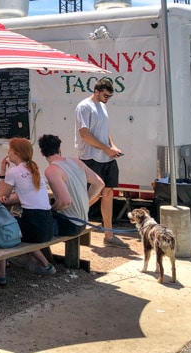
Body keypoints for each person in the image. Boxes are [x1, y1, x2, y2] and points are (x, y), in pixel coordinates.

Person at [0, 138, 56, 286]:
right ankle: (45, 264)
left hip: (33, 223)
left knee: (3, 230)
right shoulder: (35, 169)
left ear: (16, 153)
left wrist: (2, 172)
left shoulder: (14, 171)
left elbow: (1, 196)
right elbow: (24, 195)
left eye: (10, 151)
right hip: (47, 223)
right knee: (14, 227)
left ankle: (1, 273)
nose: (8, 153)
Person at [74, 78, 127, 248]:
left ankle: (109, 234)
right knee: (93, 194)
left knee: (109, 193)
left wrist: (112, 146)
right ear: (96, 91)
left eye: (109, 96)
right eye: (105, 95)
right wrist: (106, 148)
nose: (107, 99)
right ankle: (73, 220)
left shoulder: (103, 107)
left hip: (106, 156)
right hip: (90, 156)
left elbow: (105, 131)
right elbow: (84, 134)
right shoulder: (84, 106)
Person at [38, 134, 105, 236]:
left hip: (70, 225)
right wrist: (85, 202)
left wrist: (52, 209)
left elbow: (65, 201)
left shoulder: (51, 170)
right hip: (83, 221)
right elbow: (99, 183)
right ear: (59, 148)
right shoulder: (76, 161)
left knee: (32, 227)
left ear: (42, 153)